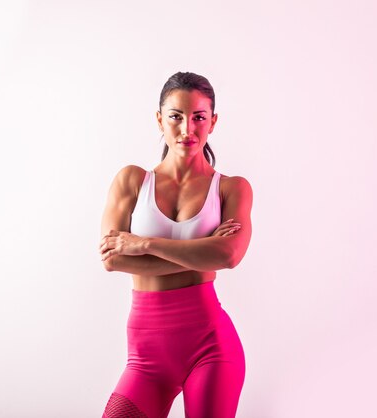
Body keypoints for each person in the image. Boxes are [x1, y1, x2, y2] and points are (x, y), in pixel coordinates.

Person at [98, 71, 253, 418]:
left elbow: (229, 255)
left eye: (199, 117)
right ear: (159, 119)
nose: (187, 129)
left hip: (211, 348)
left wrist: (143, 244)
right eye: (176, 116)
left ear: (212, 122)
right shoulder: (132, 180)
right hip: (145, 356)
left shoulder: (231, 188)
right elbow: (112, 259)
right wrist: (204, 253)